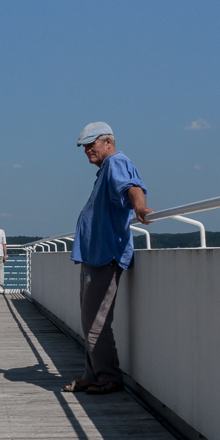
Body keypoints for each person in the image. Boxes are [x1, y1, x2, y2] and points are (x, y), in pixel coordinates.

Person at [64, 122, 153, 395]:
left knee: (96, 322)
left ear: (108, 142)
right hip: (96, 255)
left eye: (92, 144)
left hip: (106, 256)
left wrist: (140, 207)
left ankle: (109, 377)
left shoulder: (116, 162)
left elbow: (133, 187)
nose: (87, 149)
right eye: (85, 146)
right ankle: (93, 374)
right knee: (90, 320)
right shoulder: (106, 168)